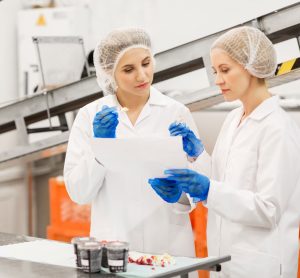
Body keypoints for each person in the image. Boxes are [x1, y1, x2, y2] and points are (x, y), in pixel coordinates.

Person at [148, 26, 300, 277]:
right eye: (215, 71)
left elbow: (268, 210)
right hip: (224, 261)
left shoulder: (278, 127)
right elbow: (223, 181)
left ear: (252, 66)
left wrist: (208, 189)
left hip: (259, 266)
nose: (218, 80)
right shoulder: (233, 118)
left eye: (225, 70)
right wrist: (196, 160)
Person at [64, 27, 209, 259]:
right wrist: (101, 149)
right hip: (114, 245)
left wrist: (181, 195)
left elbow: (202, 182)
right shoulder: (90, 116)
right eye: (129, 69)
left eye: (146, 63)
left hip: (168, 245)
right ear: (110, 73)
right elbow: (78, 192)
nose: (142, 75)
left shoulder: (175, 112)